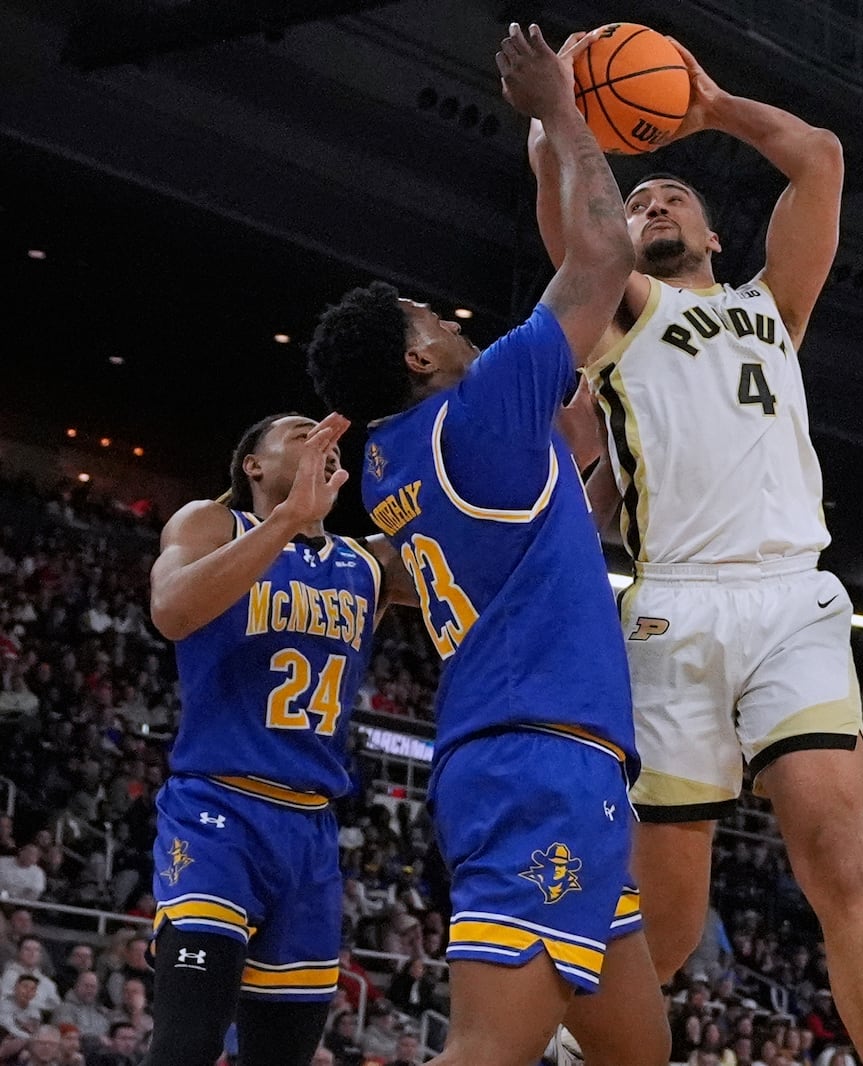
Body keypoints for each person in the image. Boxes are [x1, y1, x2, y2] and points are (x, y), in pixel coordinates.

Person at [529, 34, 863, 1065]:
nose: (651, 208)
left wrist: (710, 106)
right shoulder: (618, 308)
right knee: (669, 915)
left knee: (839, 855)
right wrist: (559, 118)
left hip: (793, 598)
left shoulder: (770, 306)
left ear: (709, 228)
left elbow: (820, 159)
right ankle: (583, 1045)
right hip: (673, 608)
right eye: (639, 199)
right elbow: (575, 223)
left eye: (669, 199)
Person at [303, 23, 667, 1066]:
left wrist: (595, 475)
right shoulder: (479, 412)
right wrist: (560, 107)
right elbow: (607, 252)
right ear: (419, 353)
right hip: (536, 757)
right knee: (485, 1051)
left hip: (537, 749)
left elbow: (533, 543)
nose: (455, 324)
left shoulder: (394, 462)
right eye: (434, 316)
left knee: (641, 1050)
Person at [143, 406, 407, 1066]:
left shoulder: (365, 563)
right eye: (299, 431)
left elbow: (483, 547)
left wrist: (567, 464)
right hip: (217, 811)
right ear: (253, 465)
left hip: (311, 830)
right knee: (187, 1043)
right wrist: (288, 517)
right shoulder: (211, 522)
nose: (318, 434)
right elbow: (171, 611)